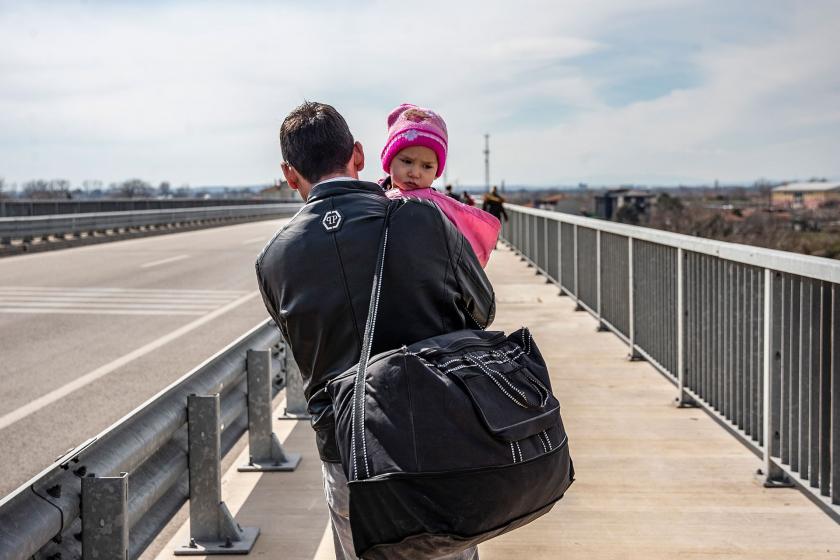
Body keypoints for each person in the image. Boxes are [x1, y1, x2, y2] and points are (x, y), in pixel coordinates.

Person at [256, 101, 494, 560]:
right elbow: (482, 311)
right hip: (438, 440)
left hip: (349, 450)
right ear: (360, 156)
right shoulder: (426, 219)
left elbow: (303, 348)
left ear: (289, 175)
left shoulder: (274, 260)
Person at [380, 103, 500, 268]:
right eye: (407, 161)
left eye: (426, 166)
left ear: (437, 170)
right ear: (388, 160)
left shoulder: (439, 208)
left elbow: (474, 243)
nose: (415, 172)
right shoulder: (375, 195)